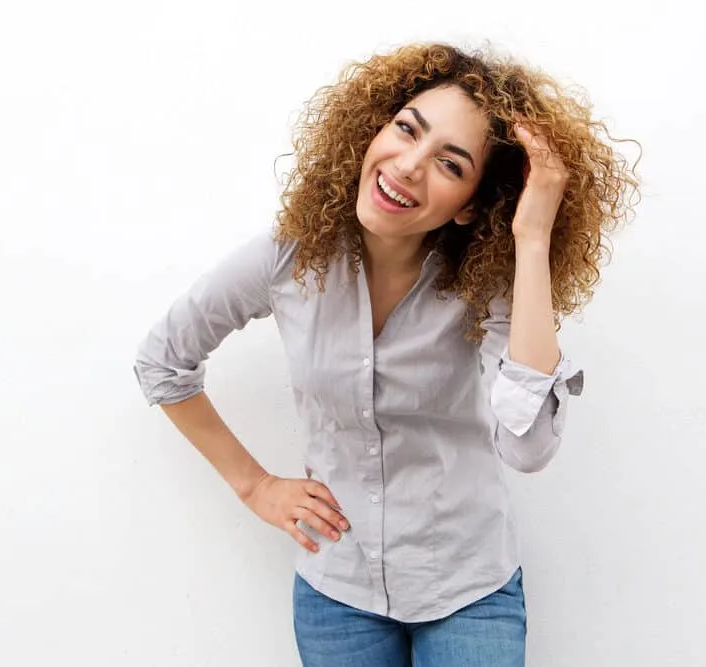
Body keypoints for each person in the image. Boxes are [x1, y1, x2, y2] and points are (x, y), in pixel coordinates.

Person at [133, 42, 638, 667]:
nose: (407, 166)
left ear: (473, 206)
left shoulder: (489, 288)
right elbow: (163, 361)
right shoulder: (287, 259)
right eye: (406, 129)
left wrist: (530, 240)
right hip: (336, 592)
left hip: (468, 589)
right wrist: (256, 486)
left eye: (450, 165)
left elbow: (529, 447)